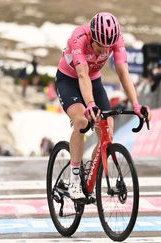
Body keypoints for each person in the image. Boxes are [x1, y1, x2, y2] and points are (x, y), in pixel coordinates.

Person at [55, 12, 151, 199]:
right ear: (92, 36)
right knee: (82, 121)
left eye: (108, 47)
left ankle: (89, 174)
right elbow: (82, 74)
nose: (103, 50)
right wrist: (90, 104)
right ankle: (74, 179)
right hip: (69, 80)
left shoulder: (116, 39)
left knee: (108, 130)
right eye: (100, 45)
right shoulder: (79, 38)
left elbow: (123, 73)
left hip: (94, 80)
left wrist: (136, 104)